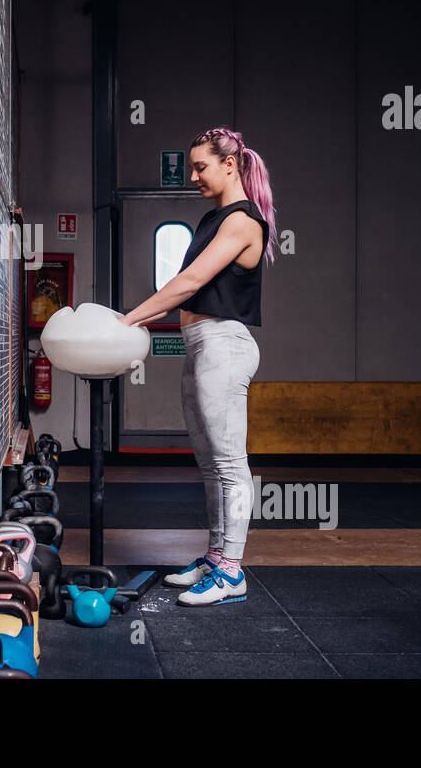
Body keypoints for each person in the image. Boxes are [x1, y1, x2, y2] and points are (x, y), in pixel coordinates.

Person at [118, 127, 277, 606]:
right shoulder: (213, 219)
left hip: (226, 345)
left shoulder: (244, 220)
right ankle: (215, 556)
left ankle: (233, 570)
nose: (193, 176)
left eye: (201, 166)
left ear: (230, 164)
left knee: (231, 465)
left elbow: (189, 282)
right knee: (211, 465)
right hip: (201, 346)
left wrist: (127, 320)